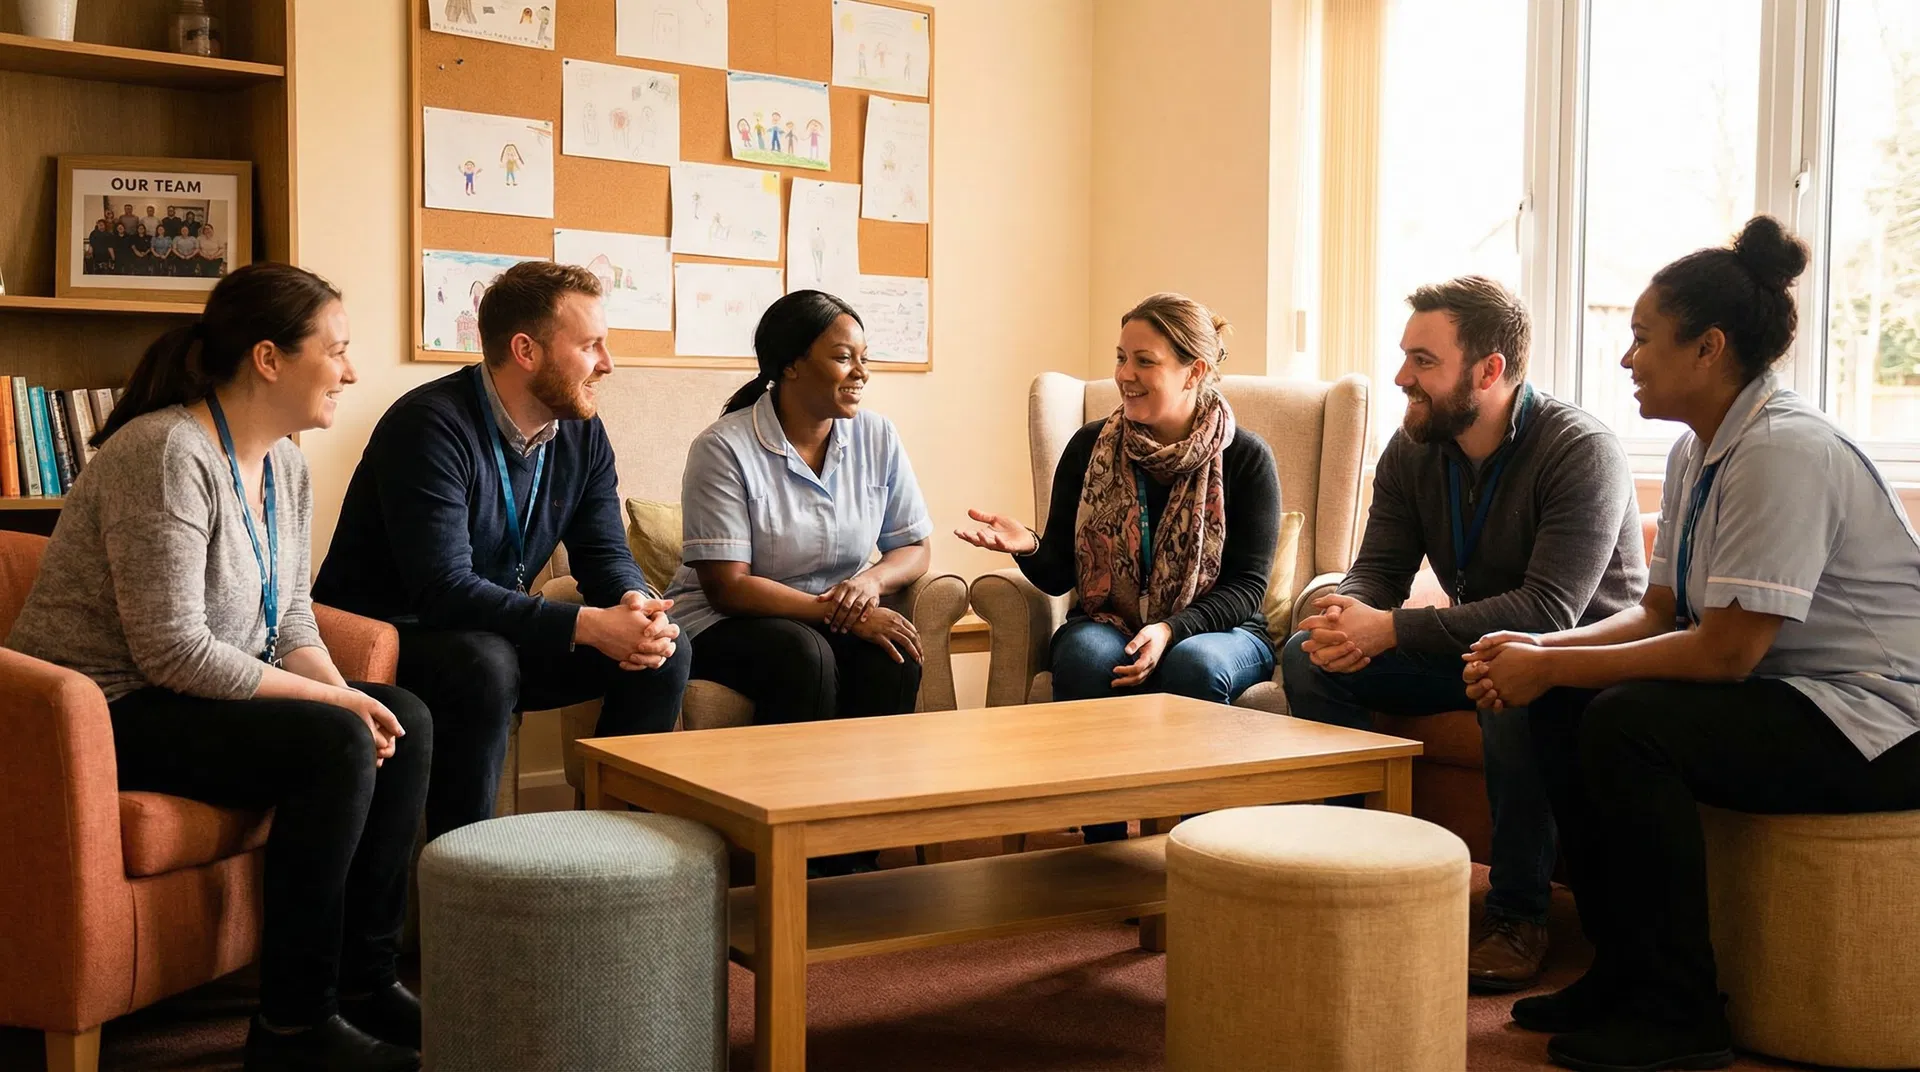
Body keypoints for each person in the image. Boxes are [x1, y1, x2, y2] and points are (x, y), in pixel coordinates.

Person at [1463, 216, 1920, 1072]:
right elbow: (1659, 612)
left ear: (1708, 348)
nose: (1627, 359)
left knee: (1629, 724)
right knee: (1568, 704)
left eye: (1642, 339)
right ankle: (1624, 970)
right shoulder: (1697, 449)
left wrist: (1552, 662)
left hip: (1886, 719)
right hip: (1803, 696)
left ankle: (1680, 1013)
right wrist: (1540, 651)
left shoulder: (1783, 451)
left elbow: (1724, 656)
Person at [3, 264, 428, 1072]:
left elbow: (291, 618)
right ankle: (293, 1031)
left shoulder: (290, 467)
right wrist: (335, 711)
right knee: (334, 742)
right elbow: (172, 649)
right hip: (103, 711)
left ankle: (365, 982)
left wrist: (350, 697)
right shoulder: (166, 452)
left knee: (404, 715)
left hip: (188, 696)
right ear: (268, 358)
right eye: (335, 351)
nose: (351, 370)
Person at [1280, 275, 1645, 992]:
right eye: (1404, 356)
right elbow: (1378, 568)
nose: (1400, 377)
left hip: (1579, 662)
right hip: (1478, 645)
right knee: (1307, 658)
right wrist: (1346, 617)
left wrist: (1391, 629)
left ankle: (1519, 915)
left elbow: (1547, 613)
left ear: (1489, 370)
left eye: (1423, 360)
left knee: (1508, 680)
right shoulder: (1415, 448)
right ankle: (1366, 872)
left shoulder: (1580, 451)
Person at [314, 261, 688, 841]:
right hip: (388, 633)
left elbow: (603, 551)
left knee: (663, 649)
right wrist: (587, 626)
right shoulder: (430, 426)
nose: (607, 364)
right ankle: (468, 870)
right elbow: (443, 591)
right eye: (591, 346)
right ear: (526, 350)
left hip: (487, 628)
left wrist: (634, 603)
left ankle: (616, 852)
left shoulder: (581, 431)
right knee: (484, 663)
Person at [958, 293, 1280, 843]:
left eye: (1143, 361)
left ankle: (1201, 843)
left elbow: (1248, 586)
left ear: (1193, 372)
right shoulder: (1091, 447)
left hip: (1219, 629)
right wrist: (1027, 546)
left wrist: (1170, 629)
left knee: (1195, 666)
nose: (1123, 375)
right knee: (1084, 654)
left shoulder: (1245, 457)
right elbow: (1061, 573)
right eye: (1120, 357)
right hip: (1110, 618)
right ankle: (1102, 845)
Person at [666, 290, 931, 875]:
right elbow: (727, 587)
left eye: (865, 357)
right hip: (725, 621)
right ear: (789, 364)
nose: (861, 373)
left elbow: (914, 547)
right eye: (843, 358)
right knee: (802, 655)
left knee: (895, 656)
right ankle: (786, 856)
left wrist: (873, 581)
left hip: (828, 612)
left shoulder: (877, 437)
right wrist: (849, 613)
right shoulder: (723, 447)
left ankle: (849, 857)